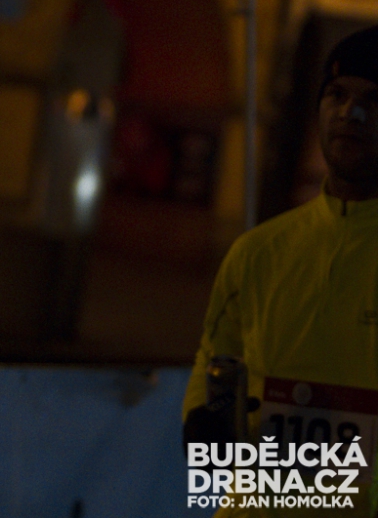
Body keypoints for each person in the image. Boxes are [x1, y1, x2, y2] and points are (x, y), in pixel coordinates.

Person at [182, 25, 378, 517]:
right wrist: (202, 423)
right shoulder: (258, 252)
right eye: (337, 94)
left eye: (374, 100)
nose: (350, 113)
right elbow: (215, 357)